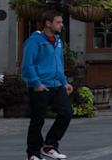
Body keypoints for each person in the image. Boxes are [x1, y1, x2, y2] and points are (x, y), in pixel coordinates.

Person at [22, 10, 73, 160]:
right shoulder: (34, 41)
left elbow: (59, 64)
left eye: (61, 22)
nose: (61, 25)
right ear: (48, 23)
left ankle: (49, 146)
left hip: (57, 85)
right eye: (58, 22)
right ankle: (32, 153)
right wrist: (36, 83)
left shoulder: (58, 41)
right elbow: (27, 64)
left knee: (66, 114)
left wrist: (64, 82)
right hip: (40, 86)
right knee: (38, 120)